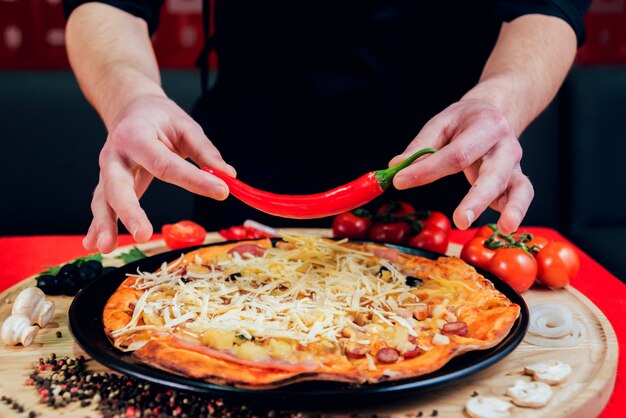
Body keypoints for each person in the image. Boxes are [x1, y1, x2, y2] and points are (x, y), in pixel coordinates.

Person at [63, 0, 590, 253]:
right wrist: (133, 97)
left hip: (443, 174)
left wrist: (498, 101)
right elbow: (109, 5)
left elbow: (548, 7)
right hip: (243, 176)